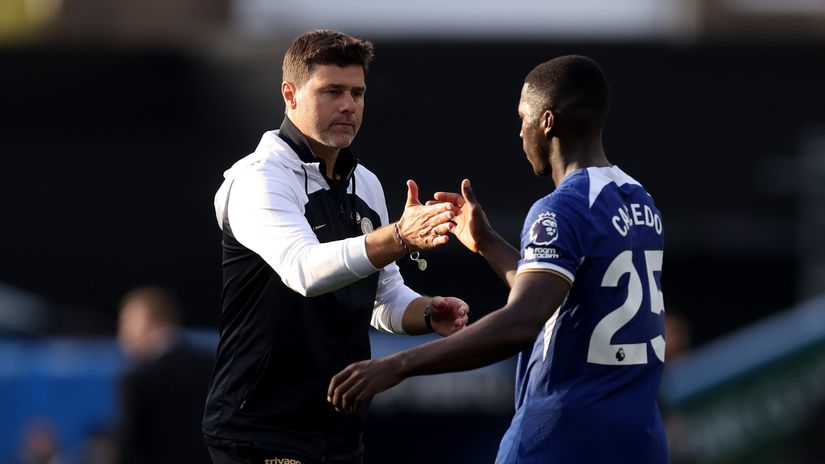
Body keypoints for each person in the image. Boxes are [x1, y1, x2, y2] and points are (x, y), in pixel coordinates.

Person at [328, 55, 669, 463]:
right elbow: (562, 301)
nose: (520, 131)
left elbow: (522, 321)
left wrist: (397, 365)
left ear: (547, 122)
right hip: (639, 442)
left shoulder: (561, 208)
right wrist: (487, 241)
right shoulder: (640, 202)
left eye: (523, 118)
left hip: (562, 440)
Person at [202, 29, 469, 464]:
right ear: (290, 95)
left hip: (339, 431)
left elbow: (382, 297)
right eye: (332, 92)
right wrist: (399, 237)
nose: (348, 105)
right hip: (261, 431)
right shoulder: (258, 177)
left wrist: (425, 311)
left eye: (357, 93)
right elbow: (304, 270)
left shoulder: (365, 183)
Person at [116, 286, 214, 464]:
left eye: (127, 321)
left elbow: (131, 449)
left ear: (151, 321)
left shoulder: (138, 379)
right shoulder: (212, 365)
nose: (122, 332)